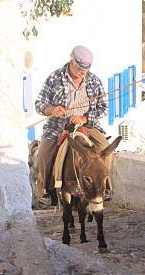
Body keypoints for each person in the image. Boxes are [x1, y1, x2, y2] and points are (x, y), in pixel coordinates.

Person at [34, 45, 108, 205]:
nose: (82, 72)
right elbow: (39, 103)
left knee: (105, 148)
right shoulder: (54, 78)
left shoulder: (94, 81)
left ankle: (104, 187)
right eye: (79, 67)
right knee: (43, 155)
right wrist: (52, 109)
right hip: (58, 126)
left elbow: (103, 108)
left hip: (87, 126)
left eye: (85, 69)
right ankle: (47, 191)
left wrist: (84, 118)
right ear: (71, 59)